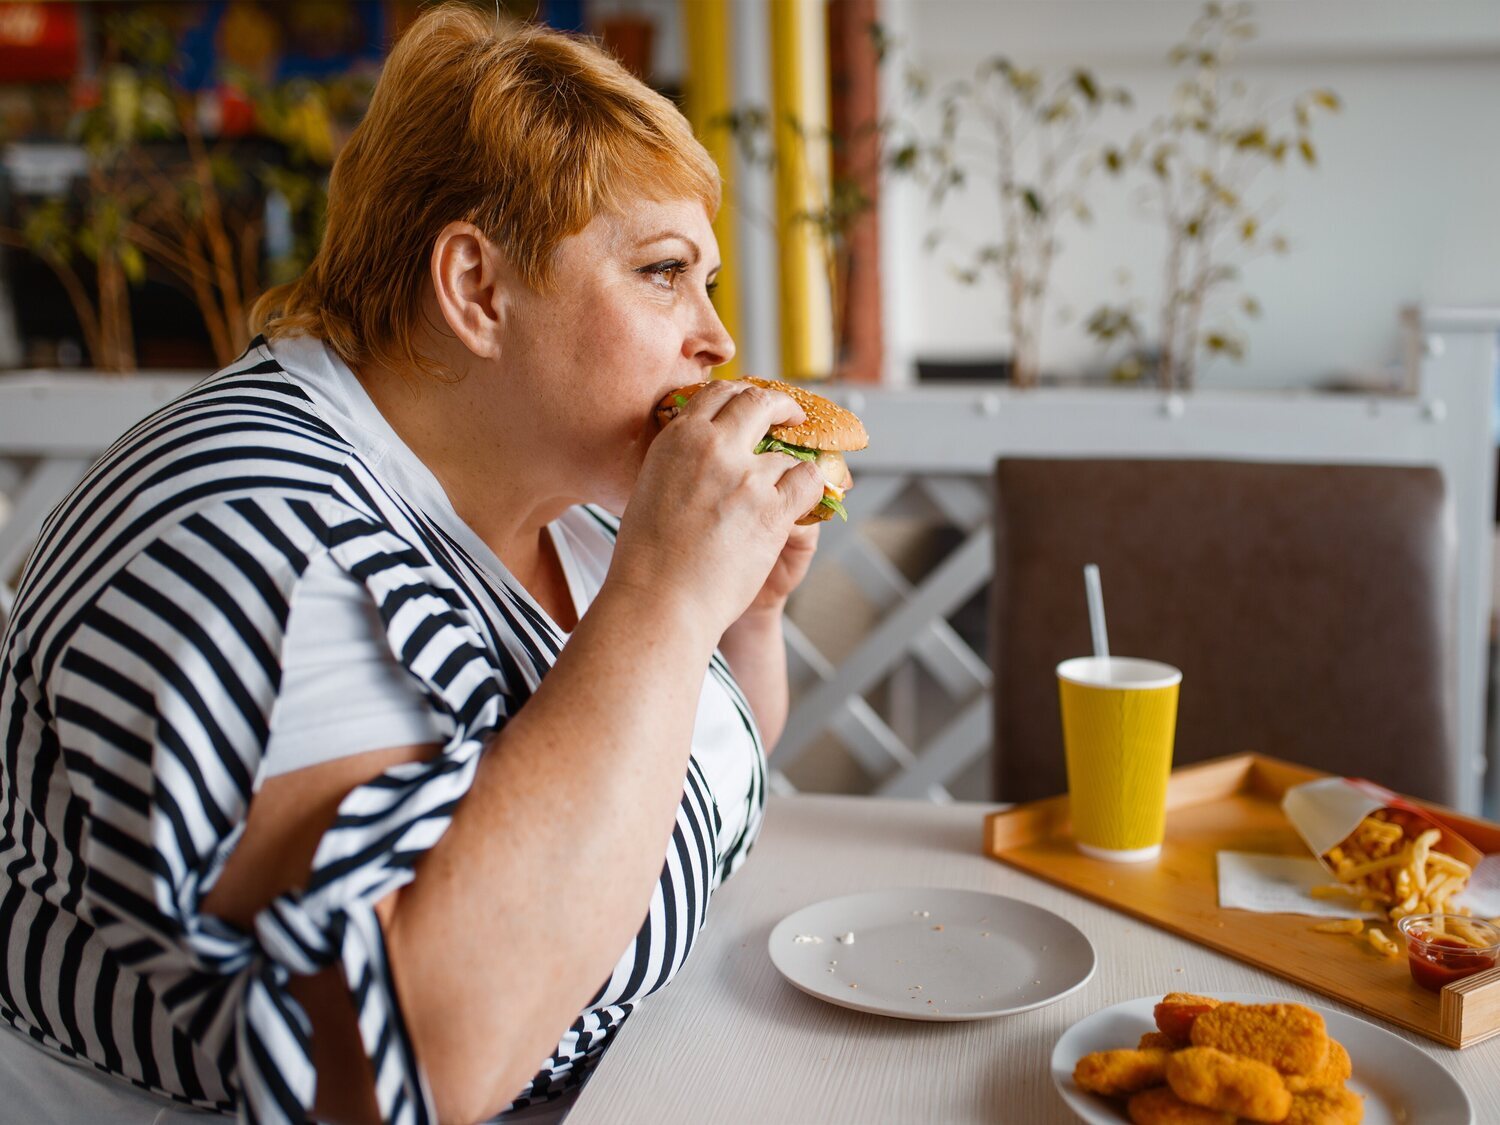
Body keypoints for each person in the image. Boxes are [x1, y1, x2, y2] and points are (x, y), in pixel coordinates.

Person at [0, 6, 828, 1123]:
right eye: (665, 272)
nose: (718, 341)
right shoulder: (258, 536)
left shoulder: (568, 508)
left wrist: (742, 622)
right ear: (477, 289)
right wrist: (668, 605)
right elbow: (401, 1061)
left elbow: (686, 770)